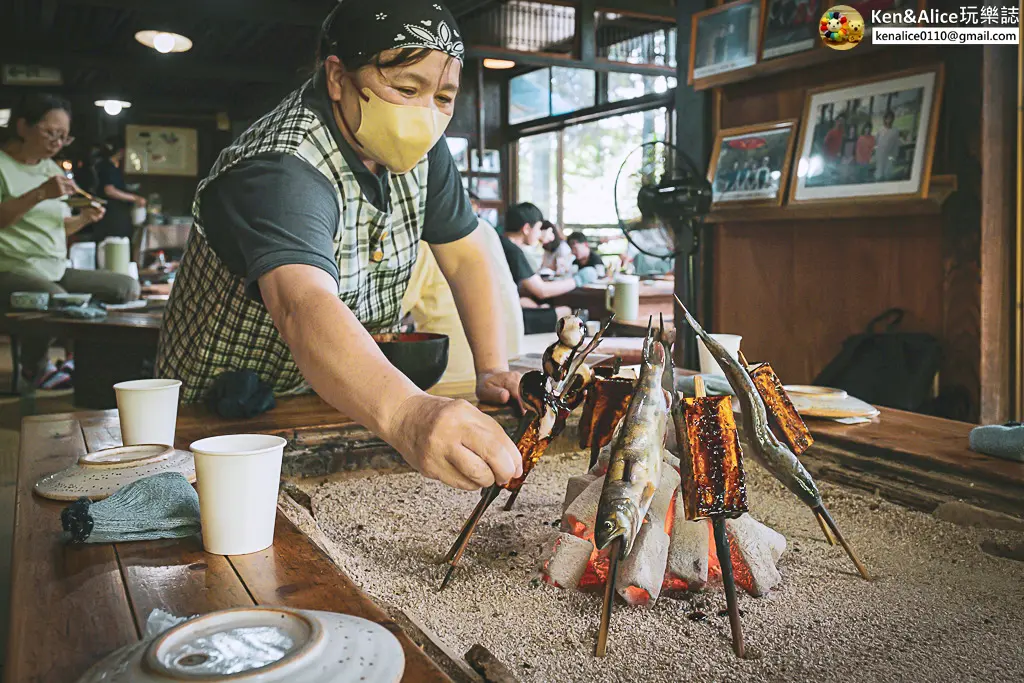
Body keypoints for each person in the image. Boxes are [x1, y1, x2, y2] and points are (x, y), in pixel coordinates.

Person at [157, 0, 523, 492]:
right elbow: (300, 302)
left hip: (342, 391)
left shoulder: (424, 153)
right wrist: (408, 413)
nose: (426, 116)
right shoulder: (282, 165)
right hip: (218, 414)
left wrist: (493, 368)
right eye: (406, 88)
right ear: (337, 77)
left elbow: (464, 253)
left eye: (443, 96)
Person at [0, 94, 139, 389]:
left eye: (64, 136)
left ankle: (89, 362)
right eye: (51, 132)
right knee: (56, 298)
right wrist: (38, 193)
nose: (57, 142)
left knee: (125, 287)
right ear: (23, 126)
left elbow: (60, 228)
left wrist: (86, 218)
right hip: (11, 268)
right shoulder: (3, 166)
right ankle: (34, 368)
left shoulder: (50, 168)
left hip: (55, 267)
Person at [401, 226, 524, 385]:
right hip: (507, 374)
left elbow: (381, 322)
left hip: (449, 384)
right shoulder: (485, 229)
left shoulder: (423, 239)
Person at [500, 202, 593, 334]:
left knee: (540, 305)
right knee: (565, 311)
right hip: (507, 320)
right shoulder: (513, 251)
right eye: (538, 229)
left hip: (499, 311)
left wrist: (538, 307)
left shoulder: (500, 243)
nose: (539, 234)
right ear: (526, 229)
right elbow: (542, 291)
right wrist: (578, 280)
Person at [93, 137, 147, 242]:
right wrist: (135, 198)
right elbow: (109, 190)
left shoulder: (113, 166)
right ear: (121, 151)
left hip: (116, 214)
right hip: (111, 215)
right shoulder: (107, 166)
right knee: (113, 243)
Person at [874, 111, 901, 181]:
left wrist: (894, 156)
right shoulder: (880, 129)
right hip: (880, 154)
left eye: (891, 118)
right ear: (885, 119)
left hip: (890, 155)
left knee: (888, 172)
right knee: (879, 172)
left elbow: (896, 144)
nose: (889, 120)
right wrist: (876, 151)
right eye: (887, 118)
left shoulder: (895, 130)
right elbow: (875, 141)